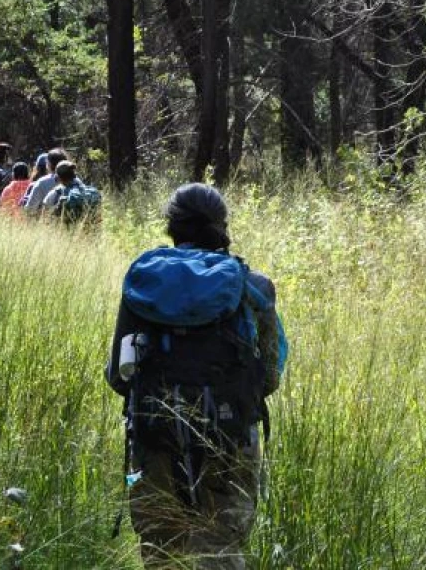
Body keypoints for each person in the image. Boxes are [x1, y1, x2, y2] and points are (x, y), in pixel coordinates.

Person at [105, 183, 286, 569]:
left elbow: (118, 376)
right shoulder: (253, 287)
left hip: (154, 435)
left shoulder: (145, 283)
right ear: (221, 226)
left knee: (161, 549)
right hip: (231, 435)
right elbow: (269, 376)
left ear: (172, 226)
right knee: (220, 546)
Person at [23, 147, 67, 215]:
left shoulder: (42, 182)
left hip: (45, 222)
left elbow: (29, 209)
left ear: (48, 164)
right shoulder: (76, 180)